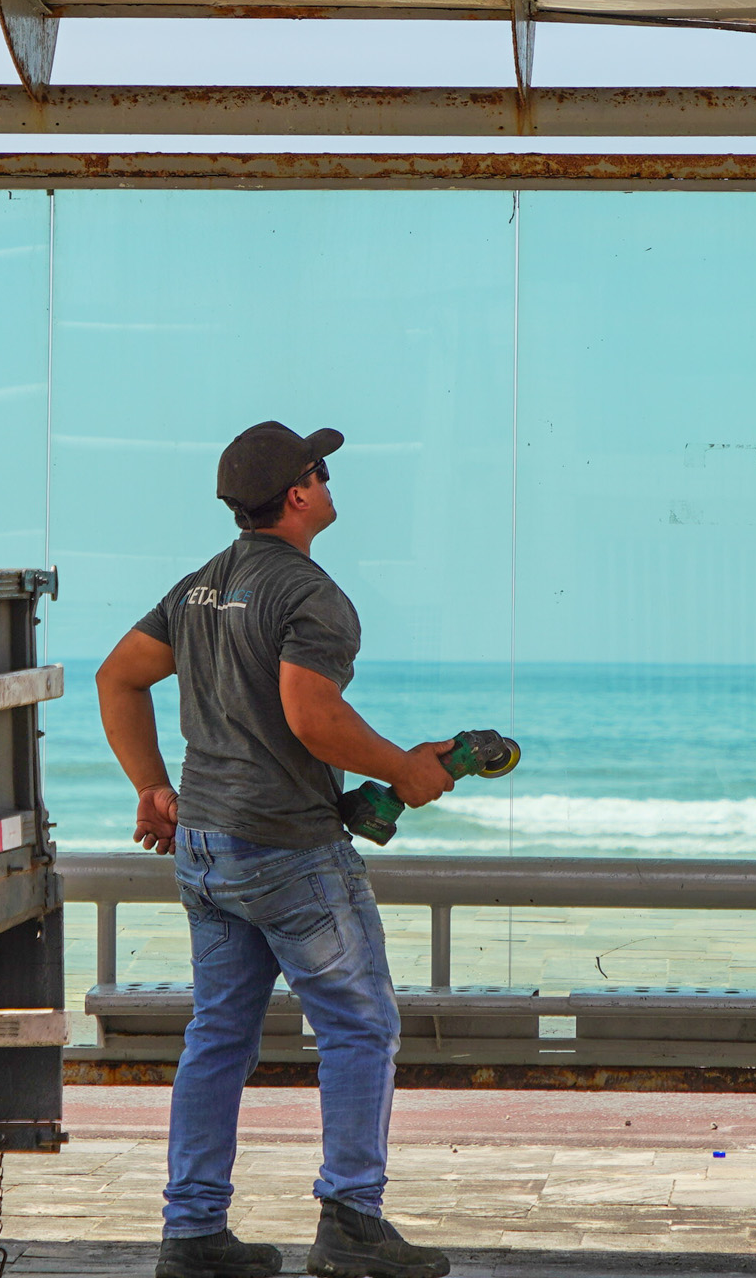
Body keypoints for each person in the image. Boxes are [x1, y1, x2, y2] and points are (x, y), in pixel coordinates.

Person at [94, 421, 466, 1278]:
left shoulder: (200, 587)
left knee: (219, 1035)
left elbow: (118, 677)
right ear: (297, 494)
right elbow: (311, 714)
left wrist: (152, 787)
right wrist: (404, 769)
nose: (330, 482)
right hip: (287, 850)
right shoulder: (309, 594)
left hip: (205, 851)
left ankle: (193, 1234)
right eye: (320, 470)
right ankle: (351, 1223)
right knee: (361, 1025)